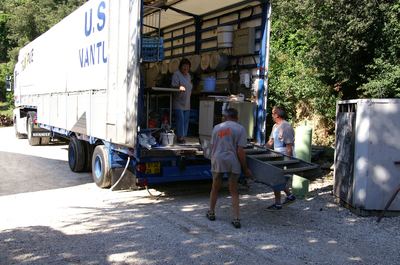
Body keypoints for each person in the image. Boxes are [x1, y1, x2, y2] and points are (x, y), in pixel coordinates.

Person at [207, 108, 252, 228]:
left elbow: (212, 146)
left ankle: (211, 212)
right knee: (234, 190)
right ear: (236, 117)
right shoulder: (240, 128)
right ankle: (236, 218)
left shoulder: (216, 127)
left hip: (218, 159)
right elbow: (240, 151)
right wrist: (245, 168)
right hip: (233, 160)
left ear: (225, 117)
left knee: (215, 187)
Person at [265, 106, 296, 210]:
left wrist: (288, 162)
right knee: (277, 179)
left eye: (273, 113)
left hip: (283, 156)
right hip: (276, 155)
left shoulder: (286, 127)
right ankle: (290, 196)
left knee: (276, 179)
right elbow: (270, 142)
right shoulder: (275, 126)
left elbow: (289, 147)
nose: (272, 115)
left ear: (277, 115)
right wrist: (261, 149)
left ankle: (278, 203)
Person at [171, 58, 192, 144]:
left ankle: (183, 137)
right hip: (178, 102)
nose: (186, 69)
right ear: (180, 67)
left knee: (186, 120)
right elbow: (173, 86)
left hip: (187, 102)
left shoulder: (189, 76)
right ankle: (180, 137)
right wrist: (179, 87)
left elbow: (189, 86)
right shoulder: (176, 74)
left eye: (187, 67)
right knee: (180, 120)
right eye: (184, 67)